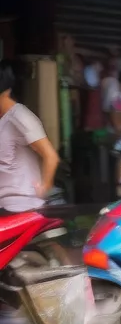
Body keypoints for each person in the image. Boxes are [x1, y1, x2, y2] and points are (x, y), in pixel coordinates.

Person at [0, 62, 60, 213]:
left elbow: (51, 156)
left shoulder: (20, 116)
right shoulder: (4, 119)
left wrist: (43, 188)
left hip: (23, 206)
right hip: (5, 205)